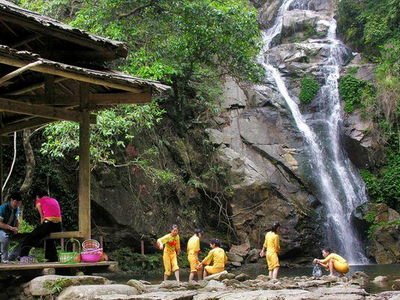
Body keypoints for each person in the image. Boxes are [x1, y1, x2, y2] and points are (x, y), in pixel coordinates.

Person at [19, 189, 62, 262]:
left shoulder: (39, 201)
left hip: (49, 224)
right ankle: (52, 258)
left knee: (31, 236)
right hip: (59, 225)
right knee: (49, 239)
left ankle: (22, 255)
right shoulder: (54, 200)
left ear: (37, 196)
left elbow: (42, 216)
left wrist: (42, 227)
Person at [0, 192, 23, 262]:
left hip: (10, 231)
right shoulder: (3, 208)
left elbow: (17, 220)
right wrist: (11, 228)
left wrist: (16, 228)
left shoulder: (17, 208)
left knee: (25, 239)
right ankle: (4, 259)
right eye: (16, 202)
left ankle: (11, 256)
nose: (17, 204)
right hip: (1, 230)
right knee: (5, 238)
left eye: (19, 203)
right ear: (11, 200)